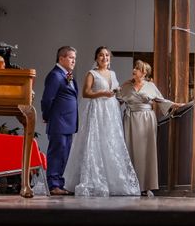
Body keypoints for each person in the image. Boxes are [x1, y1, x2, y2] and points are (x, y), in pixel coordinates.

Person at [64, 46, 140, 197]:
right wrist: (102, 93)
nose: (104, 58)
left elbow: (114, 91)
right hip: (97, 109)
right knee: (95, 141)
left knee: (110, 141)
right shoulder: (92, 73)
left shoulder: (112, 73)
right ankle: (92, 179)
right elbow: (86, 93)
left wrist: (119, 93)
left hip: (111, 111)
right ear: (96, 58)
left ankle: (113, 180)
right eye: (101, 55)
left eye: (107, 55)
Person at [118, 60, 181, 196]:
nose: (134, 70)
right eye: (134, 67)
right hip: (130, 119)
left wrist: (177, 105)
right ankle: (130, 184)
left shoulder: (151, 86)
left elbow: (161, 101)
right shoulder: (126, 86)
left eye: (138, 68)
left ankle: (147, 186)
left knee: (147, 152)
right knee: (130, 150)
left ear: (144, 72)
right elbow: (116, 102)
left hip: (147, 120)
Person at [40, 46, 78, 196]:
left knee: (64, 154)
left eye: (75, 58)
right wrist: (47, 116)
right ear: (61, 58)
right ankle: (53, 185)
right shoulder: (55, 75)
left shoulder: (67, 75)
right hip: (59, 122)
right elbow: (47, 99)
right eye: (70, 58)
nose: (73, 61)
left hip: (67, 123)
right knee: (57, 153)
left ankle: (59, 184)